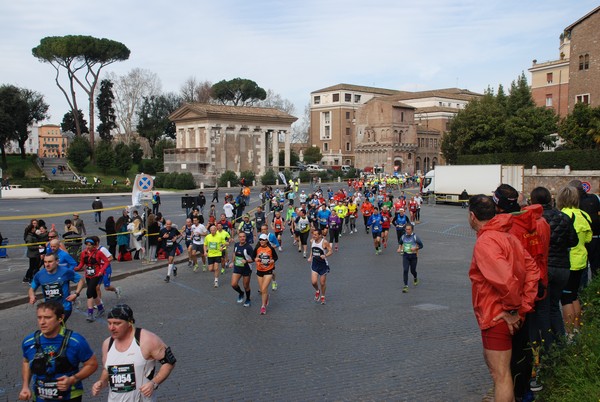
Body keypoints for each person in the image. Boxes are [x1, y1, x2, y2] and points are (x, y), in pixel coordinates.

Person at [467, 195, 539, 402]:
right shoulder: (509, 237)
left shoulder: (486, 241)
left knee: (500, 376)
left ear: (472, 216)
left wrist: (513, 310)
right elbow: (532, 270)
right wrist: (523, 306)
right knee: (504, 372)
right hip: (508, 313)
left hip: (496, 315)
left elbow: (506, 280)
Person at [91, 304, 176, 401]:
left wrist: (154, 383)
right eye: (109, 323)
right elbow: (107, 370)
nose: (111, 328)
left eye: (117, 323)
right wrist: (101, 382)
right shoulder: (107, 344)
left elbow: (169, 362)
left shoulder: (147, 340)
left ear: (129, 323)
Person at [20, 300, 98, 401]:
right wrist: (25, 386)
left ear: (60, 318)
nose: (42, 322)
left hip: (70, 397)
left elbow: (92, 364)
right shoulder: (29, 341)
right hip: (39, 398)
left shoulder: (75, 341)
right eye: (39, 317)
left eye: (48, 317)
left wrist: (72, 379)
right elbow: (26, 361)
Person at [530, 186, 578, 350]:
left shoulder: (536, 219)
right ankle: (561, 343)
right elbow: (574, 241)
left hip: (546, 268)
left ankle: (548, 348)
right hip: (563, 268)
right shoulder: (563, 217)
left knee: (543, 309)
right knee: (554, 307)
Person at [557, 185, 592, 338]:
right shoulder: (584, 215)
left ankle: (570, 333)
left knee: (565, 299)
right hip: (582, 261)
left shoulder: (563, 215)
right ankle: (577, 328)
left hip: (568, 262)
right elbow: (589, 238)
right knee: (574, 295)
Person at [29, 253, 84, 323]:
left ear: (57, 262)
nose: (47, 264)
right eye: (45, 262)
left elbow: (81, 280)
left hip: (64, 307)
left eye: (50, 262)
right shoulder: (39, 275)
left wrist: (76, 294)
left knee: (55, 327)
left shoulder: (65, 271)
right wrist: (32, 296)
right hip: (49, 308)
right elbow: (32, 289)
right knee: (56, 329)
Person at [76, 237, 111, 322]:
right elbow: (82, 263)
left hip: (97, 274)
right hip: (88, 275)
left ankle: (90, 313)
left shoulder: (99, 253)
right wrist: (76, 268)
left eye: (90, 245)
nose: (88, 247)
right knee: (94, 293)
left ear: (94, 245)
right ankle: (100, 308)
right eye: (87, 245)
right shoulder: (83, 253)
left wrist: (102, 271)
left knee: (89, 292)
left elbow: (107, 261)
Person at [254, 233, 278, 315]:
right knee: (262, 290)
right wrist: (256, 259)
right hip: (259, 270)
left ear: (266, 240)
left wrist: (272, 261)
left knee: (264, 289)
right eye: (260, 239)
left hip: (268, 270)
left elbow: (276, 257)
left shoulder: (270, 248)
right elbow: (253, 256)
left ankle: (263, 306)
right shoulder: (257, 248)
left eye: (263, 240)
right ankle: (266, 296)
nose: (261, 241)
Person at [307, 229, 333, 305]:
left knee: (322, 283)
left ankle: (323, 296)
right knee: (313, 282)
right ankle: (317, 290)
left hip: (323, 265)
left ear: (320, 235)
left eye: (315, 235)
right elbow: (312, 249)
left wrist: (325, 255)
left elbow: (331, 251)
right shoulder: (312, 241)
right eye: (313, 234)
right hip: (315, 263)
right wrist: (310, 257)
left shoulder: (324, 242)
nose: (313, 236)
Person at [397, 223, 424, 293]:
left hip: (413, 256)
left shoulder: (415, 237)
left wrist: (415, 248)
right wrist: (399, 248)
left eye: (409, 229)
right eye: (406, 229)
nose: (407, 231)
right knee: (405, 270)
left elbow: (421, 246)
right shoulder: (403, 237)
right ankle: (405, 286)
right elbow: (400, 243)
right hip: (405, 256)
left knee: (413, 270)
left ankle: (415, 277)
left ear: (412, 230)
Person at [231, 232, 254, 307]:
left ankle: (248, 299)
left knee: (246, 286)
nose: (242, 238)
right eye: (240, 237)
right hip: (238, 267)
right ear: (238, 238)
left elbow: (254, 259)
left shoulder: (249, 247)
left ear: (245, 237)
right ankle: (241, 293)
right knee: (233, 284)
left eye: (243, 236)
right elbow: (234, 253)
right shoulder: (236, 245)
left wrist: (246, 261)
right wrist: (232, 261)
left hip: (246, 268)